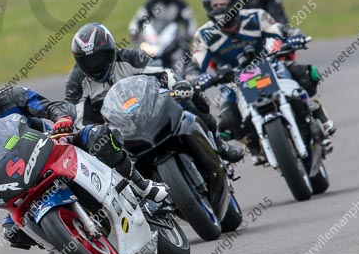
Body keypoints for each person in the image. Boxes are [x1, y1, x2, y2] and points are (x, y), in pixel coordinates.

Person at [0, 70, 170, 250]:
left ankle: (141, 185)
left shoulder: (11, 98)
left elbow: (52, 107)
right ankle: (58, 241)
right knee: (11, 231)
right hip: (22, 178)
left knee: (98, 136)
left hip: (53, 145)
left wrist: (61, 120)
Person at [191, 0, 334, 165]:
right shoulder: (203, 35)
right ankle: (254, 144)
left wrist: (294, 37)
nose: (220, 9)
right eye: (214, 5)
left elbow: (282, 30)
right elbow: (194, 64)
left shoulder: (256, 16)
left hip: (269, 66)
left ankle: (318, 114)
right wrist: (195, 79)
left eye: (223, 3)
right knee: (226, 123)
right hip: (234, 81)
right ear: (207, 7)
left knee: (308, 74)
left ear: (235, 0)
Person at [65, 23, 244, 163]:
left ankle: (218, 145)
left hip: (149, 111)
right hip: (115, 131)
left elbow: (161, 72)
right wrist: (95, 132)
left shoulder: (129, 57)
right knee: (98, 154)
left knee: (190, 98)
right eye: (88, 62)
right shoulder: (76, 82)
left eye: (100, 58)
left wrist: (179, 84)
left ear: (112, 50)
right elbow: (77, 117)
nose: (96, 66)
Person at [128, 0, 197, 47]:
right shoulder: (150, 4)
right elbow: (138, 20)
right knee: (138, 52)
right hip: (152, 39)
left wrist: (188, 35)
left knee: (184, 51)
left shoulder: (180, 4)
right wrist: (134, 34)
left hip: (173, 40)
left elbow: (190, 22)